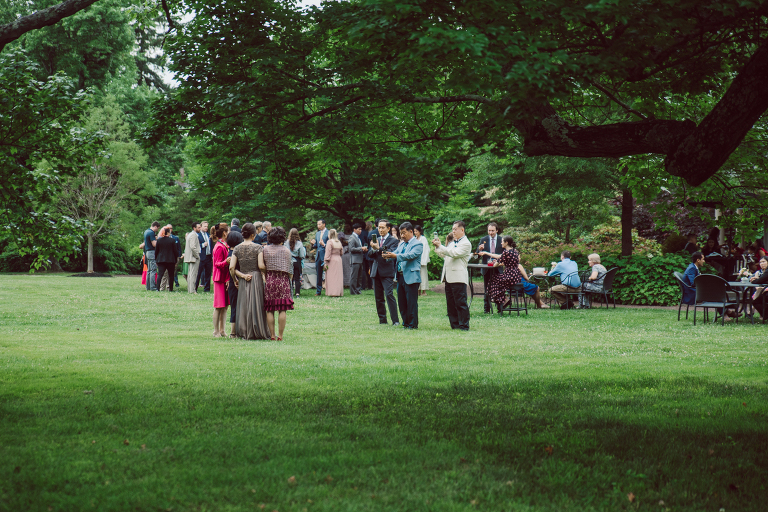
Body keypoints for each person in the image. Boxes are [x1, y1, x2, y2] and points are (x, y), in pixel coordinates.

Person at [230, 223, 270, 339]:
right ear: (253, 234)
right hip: (255, 277)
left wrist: (236, 278)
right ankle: (258, 330)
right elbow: (261, 265)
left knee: (244, 304)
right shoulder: (258, 247)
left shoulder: (237, 248)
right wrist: (265, 274)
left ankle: (244, 330)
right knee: (257, 303)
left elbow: (232, 267)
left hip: (243, 278)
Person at [383, 222, 423, 328]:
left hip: (411, 277)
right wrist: (387, 255)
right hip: (400, 277)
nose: (402, 235)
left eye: (404, 233)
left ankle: (413, 324)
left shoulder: (418, 244)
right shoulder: (402, 244)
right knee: (402, 302)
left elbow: (409, 255)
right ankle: (405, 323)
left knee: (411, 302)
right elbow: (395, 253)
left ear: (411, 231)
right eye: (401, 233)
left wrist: (394, 255)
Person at [433, 221, 472, 330]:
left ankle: (464, 325)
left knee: (460, 303)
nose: (453, 231)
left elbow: (454, 254)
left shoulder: (466, 243)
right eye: (452, 229)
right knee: (451, 304)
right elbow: (444, 255)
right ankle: (454, 325)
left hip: (458, 277)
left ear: (462, 230)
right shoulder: (452, 243)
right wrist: (437, 247)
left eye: (455, 229)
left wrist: (441, 246)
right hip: (449, 277)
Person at [261, 227, 294, 340]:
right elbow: (290, 269)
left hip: (270, 279)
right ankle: (280, 335)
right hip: (283, 280)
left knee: (270, 309)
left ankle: (272, 335)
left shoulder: (265, 249)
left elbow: (263, 265)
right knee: (282, 308)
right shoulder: (286, 250)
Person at [367, 219, 400, 325]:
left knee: (389, 295)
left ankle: (395, 320)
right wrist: (373, 249)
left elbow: (389, 254)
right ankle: (382, 320)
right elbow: (369, 254)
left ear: (388, 228)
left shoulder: (393, 240)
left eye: (382, 227)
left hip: (387, 271)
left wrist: (379, 248)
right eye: (379, 227)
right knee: (378, 297)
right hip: (376, 271)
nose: (380, 230)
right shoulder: (375, 239)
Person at [480, 235, 522, 310]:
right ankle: (500, 301)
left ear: (506, 243)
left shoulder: (506, 252)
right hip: (516, 276)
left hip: (509, 276)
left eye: (502, 242)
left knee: (492, 280)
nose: (501, 243)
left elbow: (495, 265)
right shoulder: (514, 251)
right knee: (497, 282)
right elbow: (506, 260)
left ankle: (502, 300)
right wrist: (487, 253)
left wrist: (496, 262)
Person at [477, 222, 503, 313]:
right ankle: (486, 309)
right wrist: (479, 250)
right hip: (486, 268)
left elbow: (504, 255)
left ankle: (500, 308)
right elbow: (477, 256)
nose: (491, 232)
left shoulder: (501, 240)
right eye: (489, 230)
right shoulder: (483, 239)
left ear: (497, 230)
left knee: (499, 288)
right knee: (486, 289)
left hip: (498, 268)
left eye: (492, 230)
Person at [211, 224, 231, 337]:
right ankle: (216, 331)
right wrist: (226, 262)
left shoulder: (224, 244)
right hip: (219, 278)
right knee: (218, 306)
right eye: (228, 231)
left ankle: (222, 330)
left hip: (225, 277)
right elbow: (217, 264)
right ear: (224, 233)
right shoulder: (219, 246)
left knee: (225, 306)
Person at [226, 230, 244, 337]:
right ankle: (234, 332)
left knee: (234, 306)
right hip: (236, 281)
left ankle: (234, 331)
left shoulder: (229, 253)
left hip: (232, 282)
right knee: (238, 306)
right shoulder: (236, 254)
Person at [155, 227, 180, 292]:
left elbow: (156, 251)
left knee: (160, 274)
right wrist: (176, 257)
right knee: (171, 275)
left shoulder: (159, 240)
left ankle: (157, 288)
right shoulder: (172, 240)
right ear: (168, 233)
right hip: (170, 260)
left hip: (161, 260)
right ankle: (171, 289)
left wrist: (156, 259)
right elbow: (175, 251)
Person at [285, 228, 306, 297]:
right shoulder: (299, 243)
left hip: (288, 261)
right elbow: (301, 255)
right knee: (297, 278)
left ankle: (289, 292)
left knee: (290, 278)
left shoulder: (286, 243)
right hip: (297, 262)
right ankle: (297, 293)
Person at [323, 229, 345, 297]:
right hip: (338, 259)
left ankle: (333, 292)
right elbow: (342, 252)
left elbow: (328, 253)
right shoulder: (339, 242)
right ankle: (339, 292)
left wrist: (325, 262)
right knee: (338, 276)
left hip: (332, 260)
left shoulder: (330, 242)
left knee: (332, 276)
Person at [348, 223, 367, 295]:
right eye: (359, 229)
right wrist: (361, 248)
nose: (360, 231)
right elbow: (351, 249)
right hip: (355, 260)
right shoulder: (352, 238)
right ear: (354, 229)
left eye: (361, 229)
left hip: (360, 259)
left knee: (359, 276)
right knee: (354, 277)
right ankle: (353, 291)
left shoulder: (358, 237)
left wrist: (363, 249)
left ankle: (358, 290)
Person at [312, 219, 329, 296]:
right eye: (317, 224)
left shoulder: (328, 233)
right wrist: (313, 244)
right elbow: (316, 246)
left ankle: (329, 290)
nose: (318, 226)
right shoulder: (317, 233)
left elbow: (330, 245)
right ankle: (318, 291)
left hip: (326, 255)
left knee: (328, 273)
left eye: (319, 224)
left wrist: (324, 244)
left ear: (324, 224)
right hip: (318, 256)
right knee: (318, 274)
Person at [184, 222, 201, 294]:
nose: (200, 229)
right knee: (193, 275)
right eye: (198, 227)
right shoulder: (193, 235)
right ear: (194, 228)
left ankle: (190, 290)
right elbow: (193, 247)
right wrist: (197, 256)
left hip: (190, 257)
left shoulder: (190, 235)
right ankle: (192, 290)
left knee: (190, 274)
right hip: (193, 257)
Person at [143, 221, 161, 291]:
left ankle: (148, 286)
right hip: (151, 252)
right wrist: (158, 241)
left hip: (147, 252)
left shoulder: (146, 231)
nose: (157, 230)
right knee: (153, 270)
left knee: (149, 270)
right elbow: (154, 244)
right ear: (155, 226)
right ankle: (153, 287)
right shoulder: (151, 233)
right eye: (158, 228)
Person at [195, 220, 212, 292]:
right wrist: (202, 245)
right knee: (198, 273)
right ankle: (195, 288)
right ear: (201, 227)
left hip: (208, 256)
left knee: (208, 273)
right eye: (205, 226)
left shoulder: (209, 235)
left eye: (207, 226)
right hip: (201, 256)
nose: (206, 228)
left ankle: (207, 288)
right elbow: (195, 246)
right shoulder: (197, 235)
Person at [414, 225, 430, 296]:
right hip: (415, 260)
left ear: (420, 231)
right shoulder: (414, 239)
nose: (415, 233)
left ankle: (424, 291)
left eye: (416, 231)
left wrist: (423, 260)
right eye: (414, 231)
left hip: (422, 259)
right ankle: (418, 290)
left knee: (423, 275)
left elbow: (425, 250)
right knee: (417, 276)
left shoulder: (423, 239)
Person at [363, 221, 374, 290]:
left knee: (371, 269)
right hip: (368, 254)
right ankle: (369, 285)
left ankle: (372, 285)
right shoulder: (366, 233)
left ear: (369, 225)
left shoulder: (371, 233)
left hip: (371, 253)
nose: (365, 226)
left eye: (366, 225)